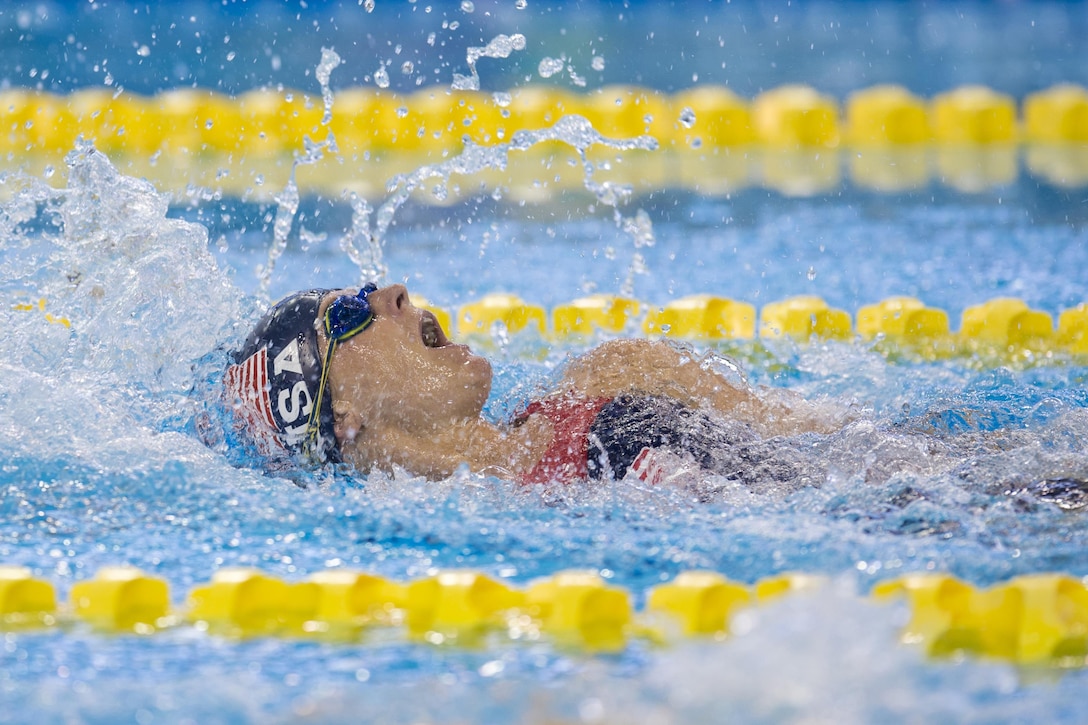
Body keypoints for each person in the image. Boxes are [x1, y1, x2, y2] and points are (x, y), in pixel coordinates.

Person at [224, 283, 844, 489]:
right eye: (348, 315)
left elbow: (843, 443)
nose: (391, 292)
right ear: (342, 417)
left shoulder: (616, 372)